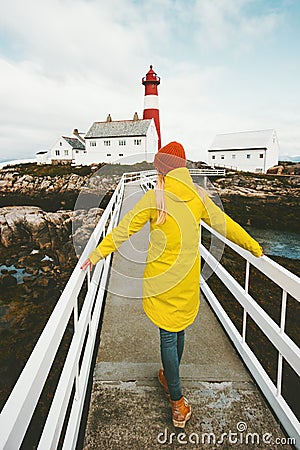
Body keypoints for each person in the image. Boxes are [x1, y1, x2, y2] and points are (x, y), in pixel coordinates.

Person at [81, 141, 263, 428]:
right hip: (187, 280)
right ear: (184, 167)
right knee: (178, 331)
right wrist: (254, 247)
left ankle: (176, 400)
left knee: (168, 335)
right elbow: (225, 225)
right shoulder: (198, 196)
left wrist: (95, 255)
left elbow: (123, 229)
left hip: (160, 280)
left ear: (161, 170)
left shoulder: (155, 197)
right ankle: (170, 379)